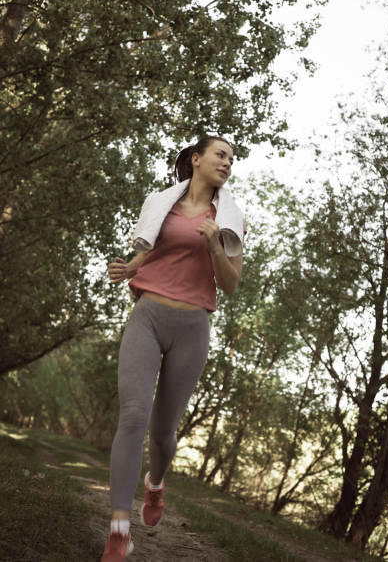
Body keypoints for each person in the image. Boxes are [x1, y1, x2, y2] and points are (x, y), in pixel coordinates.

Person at [101, 135, 245, 561]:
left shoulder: (229, 217)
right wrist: (126, 267)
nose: (227, 163)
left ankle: (156, 484)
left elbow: (231, 285)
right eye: (221, 154)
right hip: (147, 315)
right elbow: (145, 252)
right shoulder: (161, 202)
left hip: (192, 326)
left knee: (163, 433)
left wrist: (214, 243)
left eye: (232, 159)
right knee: (133, 415)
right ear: (196, 159)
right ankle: (119, 529)